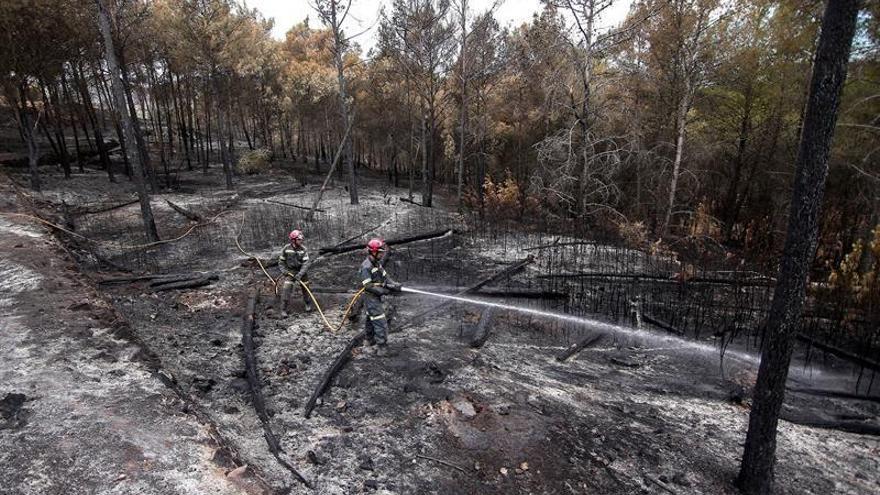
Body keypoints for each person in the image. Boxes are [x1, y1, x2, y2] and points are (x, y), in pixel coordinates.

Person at [358, 238, 402, 356]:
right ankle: (382, 348)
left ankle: (369, 340)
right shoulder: (365, 267)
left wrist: (394, 284)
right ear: (373, 252)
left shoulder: (377, 263)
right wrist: (384, 291)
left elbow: (385, 275)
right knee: (380, 320)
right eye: (381, 252)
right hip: (370, 297)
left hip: (375, 296)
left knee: (370, 319)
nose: (382, 254)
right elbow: (368, 286)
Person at [279, 229, 312, 317]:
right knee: (286, 288)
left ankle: (308, 304)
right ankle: (283, 309)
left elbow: (306, 264)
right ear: (293, 240)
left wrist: (300, 274)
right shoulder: (286, 249)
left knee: (306, 288)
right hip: (290, 272)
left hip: (302, 272)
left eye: (301, 239)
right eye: (299, 239)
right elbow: (281, 262)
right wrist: (284, 271)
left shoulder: (303, 249)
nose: (301, 241)